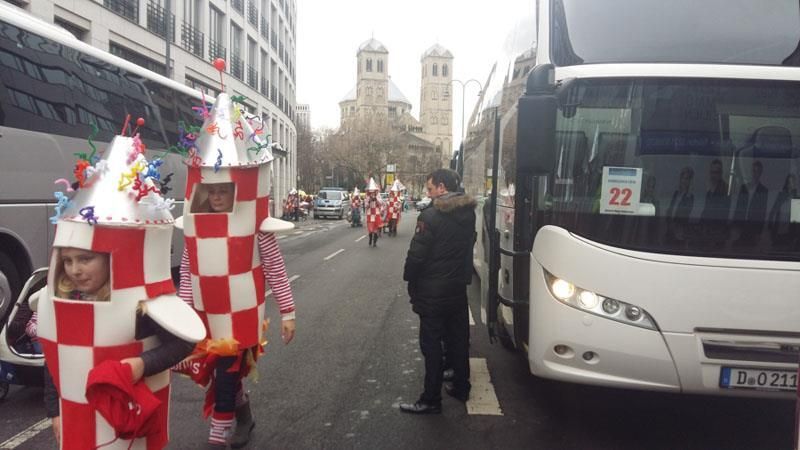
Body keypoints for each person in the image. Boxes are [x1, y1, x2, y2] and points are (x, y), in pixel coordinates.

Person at [35, 133, 205, 449]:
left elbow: (183, 342)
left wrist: (141, 364)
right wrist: (53, 411)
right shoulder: (63, 301)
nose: (74, 269)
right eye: (68, 260)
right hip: (78, 419)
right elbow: (53, 358)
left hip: (129, 421)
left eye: (85, 259)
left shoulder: (140, 305)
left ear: (111, 259)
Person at [178, 92, 296, 449]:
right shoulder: (195, 224)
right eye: (210, 191)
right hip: (205, 310)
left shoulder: (255, 222)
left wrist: (288, 312)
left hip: (241, 311)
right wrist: (184, 312)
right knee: (218, 369)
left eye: (223, 190)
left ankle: (221, 430)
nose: (216, 197)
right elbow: (188, 267)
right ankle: (241, 412)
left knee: (228, 365)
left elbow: (274, 265)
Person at [400, 169, 476, 414]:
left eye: (430, 189)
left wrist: (409, 278)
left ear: (442, 188)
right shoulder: (468, 214)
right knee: (458, 340)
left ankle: (431, 399)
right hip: (457, 288)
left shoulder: (430, 216)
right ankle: (462, 387)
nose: (428, 194)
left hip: (432, 291)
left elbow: (416, 256)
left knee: (431, 345)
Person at [364, 178, 383, 247]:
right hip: (369, 214)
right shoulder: (367, 196)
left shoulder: (378, 195)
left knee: (375, 229)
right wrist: (369, 201)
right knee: (370, 229)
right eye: (371, 192)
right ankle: (370, 238)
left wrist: (376, 200)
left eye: (373, 192)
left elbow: (381, 203)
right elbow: (366, 206)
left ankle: (374, 242)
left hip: (376, 214)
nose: (372, 193)